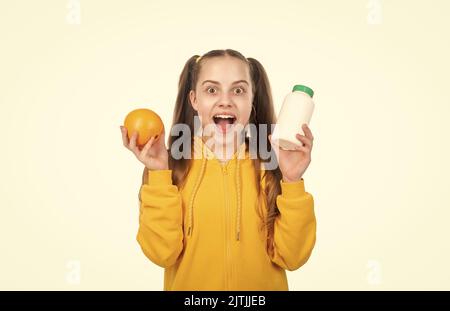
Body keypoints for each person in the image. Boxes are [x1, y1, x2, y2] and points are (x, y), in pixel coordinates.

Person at [120, 49, 316, 290]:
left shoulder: (272, 167)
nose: (226, 100)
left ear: (252, 100)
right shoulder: (171, 170)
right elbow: (162, 254)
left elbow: (293, 258)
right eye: (212, 90)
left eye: (239, 90)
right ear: (194, 100)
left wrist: (292, 180)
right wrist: (159, 174)